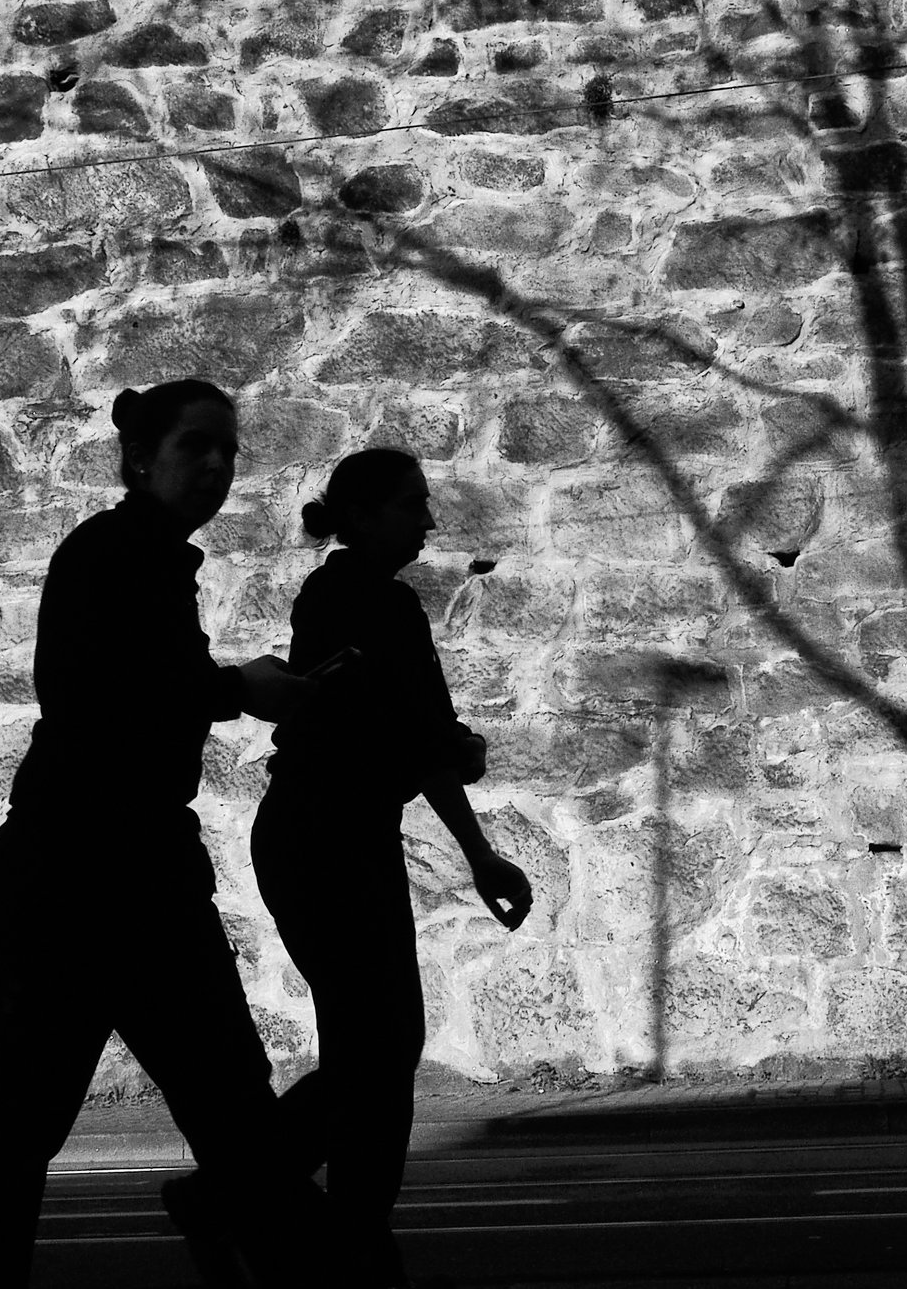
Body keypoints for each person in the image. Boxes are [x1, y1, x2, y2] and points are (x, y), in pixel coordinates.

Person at [0, 379, 337, 1289]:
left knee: (198, 1113)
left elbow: (135, 691)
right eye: (197, 447)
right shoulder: (116, 555)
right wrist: (240, 689)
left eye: (228, 450)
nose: (218, 466)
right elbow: (106, 697)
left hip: (114, 874)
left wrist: (231, 687)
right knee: (78, 1118)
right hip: (92, 881)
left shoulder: (138, 554)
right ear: (144, 458)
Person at [241, 447, 537, 1289]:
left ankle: (292, 1204)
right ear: (364, 515)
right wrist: (460, 780)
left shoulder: (346, 597)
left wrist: (474, 839)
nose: (428, 521)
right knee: (379, 1039)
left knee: (375, 1040)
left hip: (323, 834)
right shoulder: (369, 602)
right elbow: (413, 736)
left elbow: (414, 735)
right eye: (412, 505)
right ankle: (348, 1229)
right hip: (324, 837)